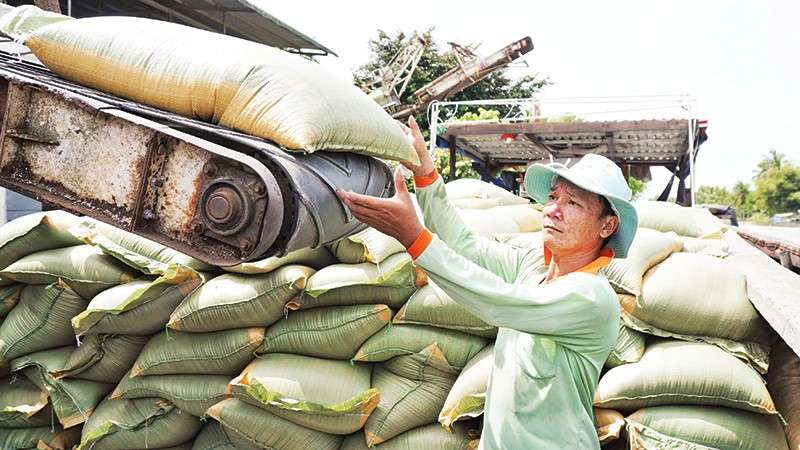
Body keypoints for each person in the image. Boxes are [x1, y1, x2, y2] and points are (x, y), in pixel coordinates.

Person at [337, 116, 638, 449]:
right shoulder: (532, 267)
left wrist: (414, 237)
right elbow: (464, 244)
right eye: (553, 197)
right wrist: (425, 175)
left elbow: (499, 301)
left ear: (607, 226)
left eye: (573, 203)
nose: (553, 210)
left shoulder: (592, 296)